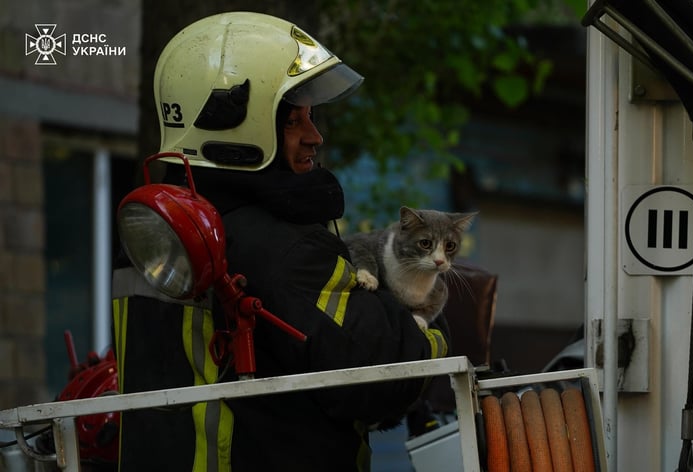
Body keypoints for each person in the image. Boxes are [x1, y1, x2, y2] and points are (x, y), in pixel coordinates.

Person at [111, 12, 449, 471]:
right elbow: (382, 375)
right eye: (293, 121)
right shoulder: (280, 247)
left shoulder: (150, 232)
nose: (315, 136)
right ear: (236, 125)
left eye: (311, 117)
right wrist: (434, 332)